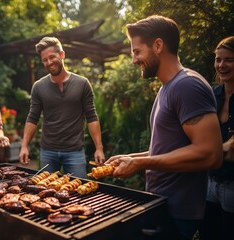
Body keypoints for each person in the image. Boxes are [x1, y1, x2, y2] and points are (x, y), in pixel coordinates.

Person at [104, 15, 222, 240]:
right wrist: (132, 158)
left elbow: (210, 153)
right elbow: (170, 148)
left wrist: (140, 162)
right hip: (162, 203)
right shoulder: (168, 87)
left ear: (158, 45)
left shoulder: (187, 86)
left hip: (178, 210)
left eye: (137, 52)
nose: (133, 60)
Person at [19, 36, 105, 179]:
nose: (49, 62)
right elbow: (32, 117)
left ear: (62, 55)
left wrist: (99, 148)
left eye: (52, 57)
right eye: (45, 60)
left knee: (80, 191)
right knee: (46, 193)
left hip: (75, 152)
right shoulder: (39, 87)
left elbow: (92, 116)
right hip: (48, 151)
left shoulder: (82, 83)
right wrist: (24, 145)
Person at [199, 36, 234, 240]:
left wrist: (208, 148)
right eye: (218, 59)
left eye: (229, 59)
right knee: (208, 233)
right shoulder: (213, 94)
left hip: (232, 184)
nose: (221, 65)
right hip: (210, 182)